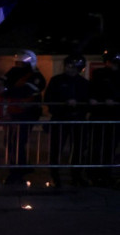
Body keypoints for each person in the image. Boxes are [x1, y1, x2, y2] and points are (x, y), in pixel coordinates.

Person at [0, 49, 46, 184]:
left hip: (27, 114)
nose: (18, 66)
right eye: (17, 63)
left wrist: (6, 91)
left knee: (17, 142)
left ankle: (17, 172)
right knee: (10, 142)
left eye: (21, 64)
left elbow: (24, 91)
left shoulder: (36, 77)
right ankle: (22, 166)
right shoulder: (14, 71)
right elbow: (3, 79)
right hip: (13, 113)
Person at [44, 54, 90, 187]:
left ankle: (76, 175)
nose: (70, 70)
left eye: (74, 67)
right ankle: (55, 175)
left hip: (78, 120)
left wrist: (79, 105)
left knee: (79, 149)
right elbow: (48, 98)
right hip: (60, 119)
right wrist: (64, 103)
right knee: (56, 148)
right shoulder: (56, 81)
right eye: (69, 66)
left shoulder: (84, 83)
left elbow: (88, 101)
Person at [88, 49, 120, 186]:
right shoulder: (99, 74)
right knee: (96, 145)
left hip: (114, 115)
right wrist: (94, 99)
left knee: (110, 147)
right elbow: (93, 89)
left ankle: (105, 174)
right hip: (100, 114)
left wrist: (113, 100)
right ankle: (94, 174)